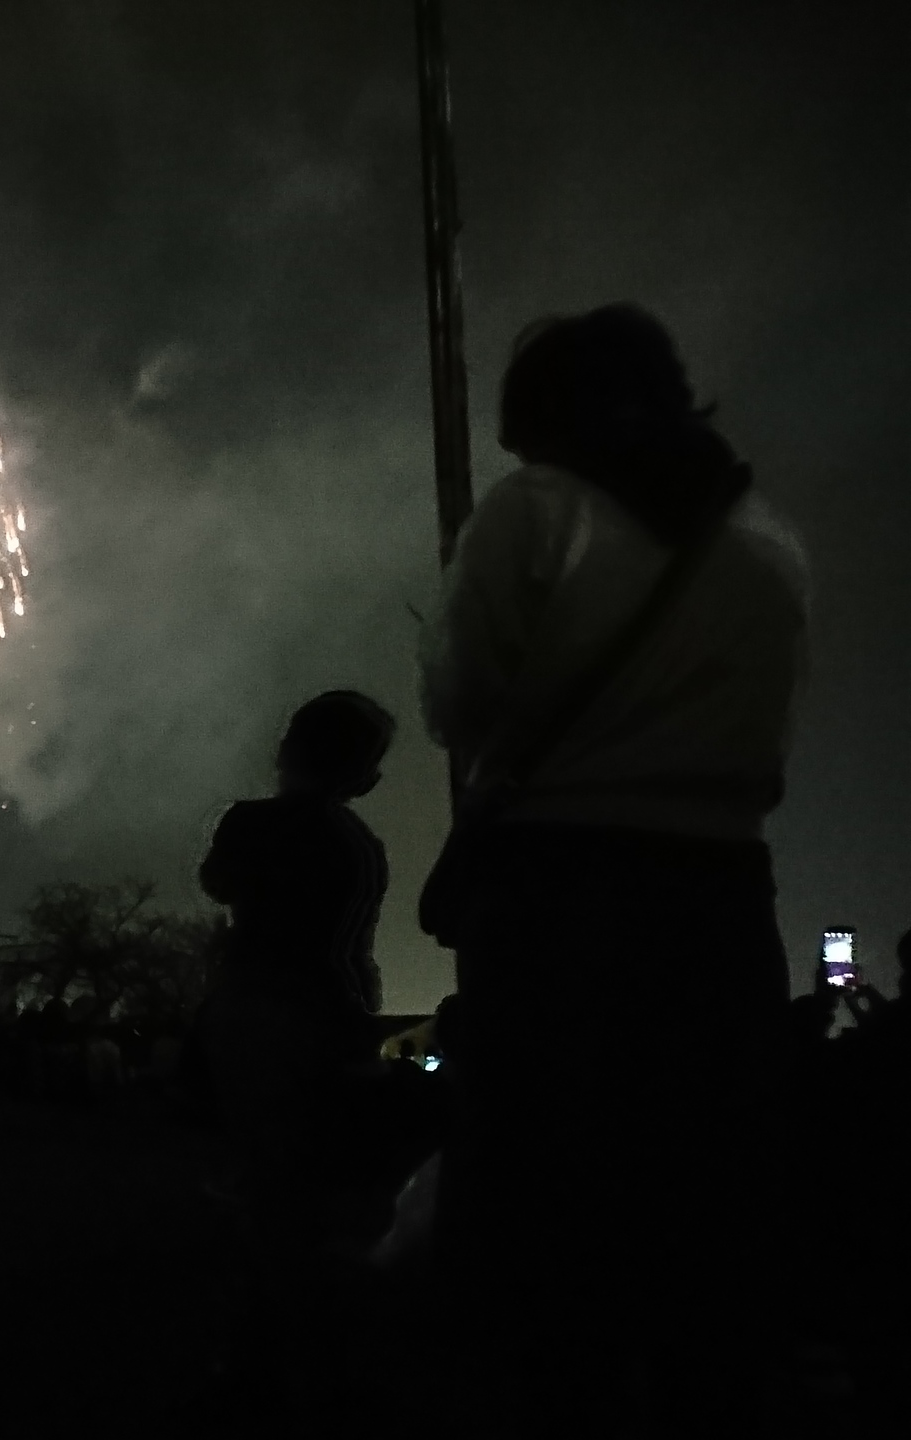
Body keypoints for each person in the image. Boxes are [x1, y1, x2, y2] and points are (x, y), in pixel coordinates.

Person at [417, 305, 809, 1432]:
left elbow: (460, 702)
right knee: (701, 1203)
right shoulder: (770, 540)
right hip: (727, 896)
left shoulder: (533, 513)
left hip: (560, 892)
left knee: (543, 1207)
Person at [193, 691, 433, 1421]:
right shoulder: (360, 846)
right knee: (304, 1196)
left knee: (269, 1193)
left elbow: (217, 883)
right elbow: (348, 947)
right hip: (324, 1019)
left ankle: (272, 1361)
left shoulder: (251, 823)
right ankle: (297, 1358)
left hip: (251, 1018)